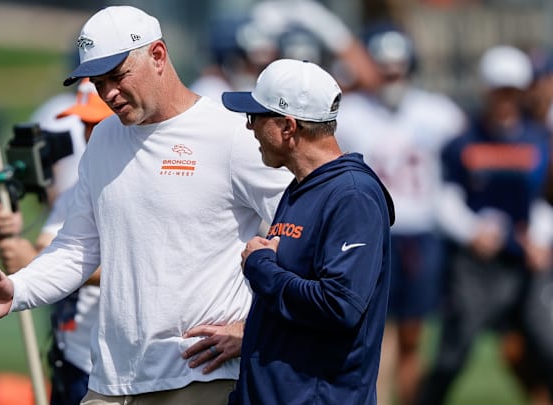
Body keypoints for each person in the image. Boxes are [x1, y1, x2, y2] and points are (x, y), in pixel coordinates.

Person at [0, 5, 292, 404]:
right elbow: (76, 248)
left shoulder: (231, 136)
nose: (108, 93)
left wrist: (252, 328)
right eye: (98, 82)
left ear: (158, 55)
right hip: (111, 380)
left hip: (200, 378)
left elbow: (301, 235)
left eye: (118, 76)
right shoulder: (104, 140)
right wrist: (18, 289)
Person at [221, 59, 395, 404]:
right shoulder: (304, 185)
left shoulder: (353, 195)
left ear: (287, 127)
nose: (249, 127)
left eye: (255, 117)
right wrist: (253, 337)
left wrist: (260, 267)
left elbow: (339, 305)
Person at [335, 24, 467, 405]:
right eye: (384, 67)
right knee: (370, 336)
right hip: (372, 236)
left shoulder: (437, 112)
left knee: (413, 335)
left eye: (398, 67)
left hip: (421, 235)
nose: (392, 75)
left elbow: (468, 153)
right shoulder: (352, 112)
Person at [415, 45, 552, 405]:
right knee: (453, 354)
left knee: (547, 345)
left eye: (513, 91)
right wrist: (471, 230)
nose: (506, 99)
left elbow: (542, 200)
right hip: (476, 266)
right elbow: (444, 196)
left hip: (525, 264)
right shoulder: (463, 140)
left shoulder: (539, 140)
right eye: (499, 90)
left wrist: (540, 238)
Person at [0, 78, 113, 405]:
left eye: (98, 122)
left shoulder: (150, 189)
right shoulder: (78, 189)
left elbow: (140, 269)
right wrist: (10, 233)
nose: (89, 135)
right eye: (85, 123)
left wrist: (36, 263)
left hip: (119, 366)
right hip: (73, 356)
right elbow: (44, 249)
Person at [189, 0, 380, 102]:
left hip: (313, 105)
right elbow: (221, 71)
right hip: (272, 103)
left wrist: (323, 93)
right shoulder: (259, 16)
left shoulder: (311, 13)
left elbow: (368, 75)